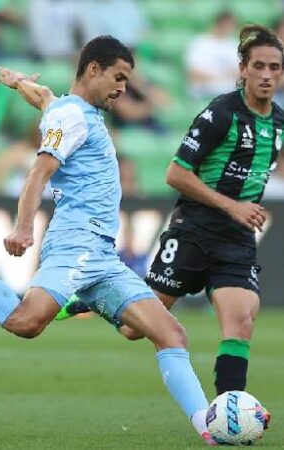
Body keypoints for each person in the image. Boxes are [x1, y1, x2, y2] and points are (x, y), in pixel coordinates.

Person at [0, 35, 216, 445]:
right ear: (93, 69)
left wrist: (21, 83)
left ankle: (210, 428)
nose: (123, 88)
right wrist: (23, 227)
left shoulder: (70, 109)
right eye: (118, 77)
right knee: (25, 322)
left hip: (102, 256)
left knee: (167, 334)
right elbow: (38, 173)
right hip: (77, 242)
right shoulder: (70, 117)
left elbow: (44, 98)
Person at [58, 25, 283, 414]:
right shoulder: (221, 113)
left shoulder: (278, 121)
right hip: (193, 232)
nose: (266, 74)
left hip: (236, 242)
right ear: (243, 69)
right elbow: (176, 173)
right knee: (133, 329)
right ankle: (93, 299)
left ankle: (229, 412)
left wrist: (241, 212)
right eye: (258, 66)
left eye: (275, 67)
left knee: (241, 320)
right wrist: (232, 206)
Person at [185, 10, 239, 100]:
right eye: (227, 24)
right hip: (203, 91)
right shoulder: (199, 43)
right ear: (218, 23)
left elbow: (240, 72)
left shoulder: (234, 44)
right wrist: (221, 76)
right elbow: (193, 73)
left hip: (229, 92)